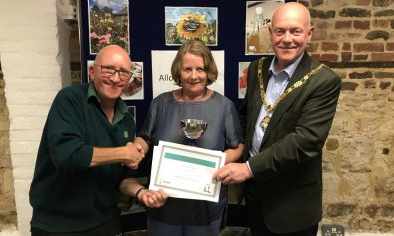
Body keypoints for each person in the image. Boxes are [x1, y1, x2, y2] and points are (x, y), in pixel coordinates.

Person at [214, 2, 341, 236]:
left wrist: (248, 168)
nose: (287, 39)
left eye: (296, 31)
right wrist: (229, 150)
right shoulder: (256, 69)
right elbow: (247, 117)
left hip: (291, 202)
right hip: (255, 195)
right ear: (270, 33)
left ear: (309, 34)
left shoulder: (323, 81)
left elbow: (306, 141)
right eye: (280, 31)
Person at [29, 45, 167, 235]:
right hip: (59, 225)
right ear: (92, 72)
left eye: (124, 73)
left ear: (129, 80)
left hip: (106, 221)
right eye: (108, 69)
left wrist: (142, 193)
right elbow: (67, 155)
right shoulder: (70, 99)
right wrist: (124, 153)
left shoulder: (126, 120)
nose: (116, 78)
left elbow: (122, 178)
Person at [141, 40, 244, 236]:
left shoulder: (224, 106)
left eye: (200, 69)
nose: (194, 76)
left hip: (204, 202)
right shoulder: (160, 103)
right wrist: (135, 148)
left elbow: (237, 147)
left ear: (209, 71)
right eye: (187, 69)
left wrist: (214, 164)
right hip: (163, 200)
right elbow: (145, 138)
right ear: (178, 71)